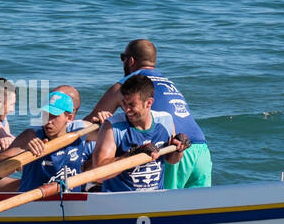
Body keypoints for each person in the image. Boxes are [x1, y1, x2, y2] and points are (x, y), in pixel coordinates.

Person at [87, 39, 211, 188]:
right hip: (199, 150)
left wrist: (97, 125)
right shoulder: (168, 82)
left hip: (173, 149)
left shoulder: (127, 85)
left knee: (166, 208)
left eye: (122, 58)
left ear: (130, 60)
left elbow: (87, 126)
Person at [91, 74, 190, 191]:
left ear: (149, 103)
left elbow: (172, 160)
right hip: (118, 199)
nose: (126, 109)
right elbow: (99, 174)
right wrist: (132, 155)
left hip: (154, 197)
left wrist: (178, 149)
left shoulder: (165, 120)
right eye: (124, 103)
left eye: (132, 105)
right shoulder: (112, 127)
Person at [0, 86, 92, 191]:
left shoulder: (81, 130)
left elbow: (107, 133)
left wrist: (105, 122)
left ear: (70, 117)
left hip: (70, 201)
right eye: (45, 114)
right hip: (34, 203)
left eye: (54, 115)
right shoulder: (31, 136)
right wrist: (23, 155)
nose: (48, 121)